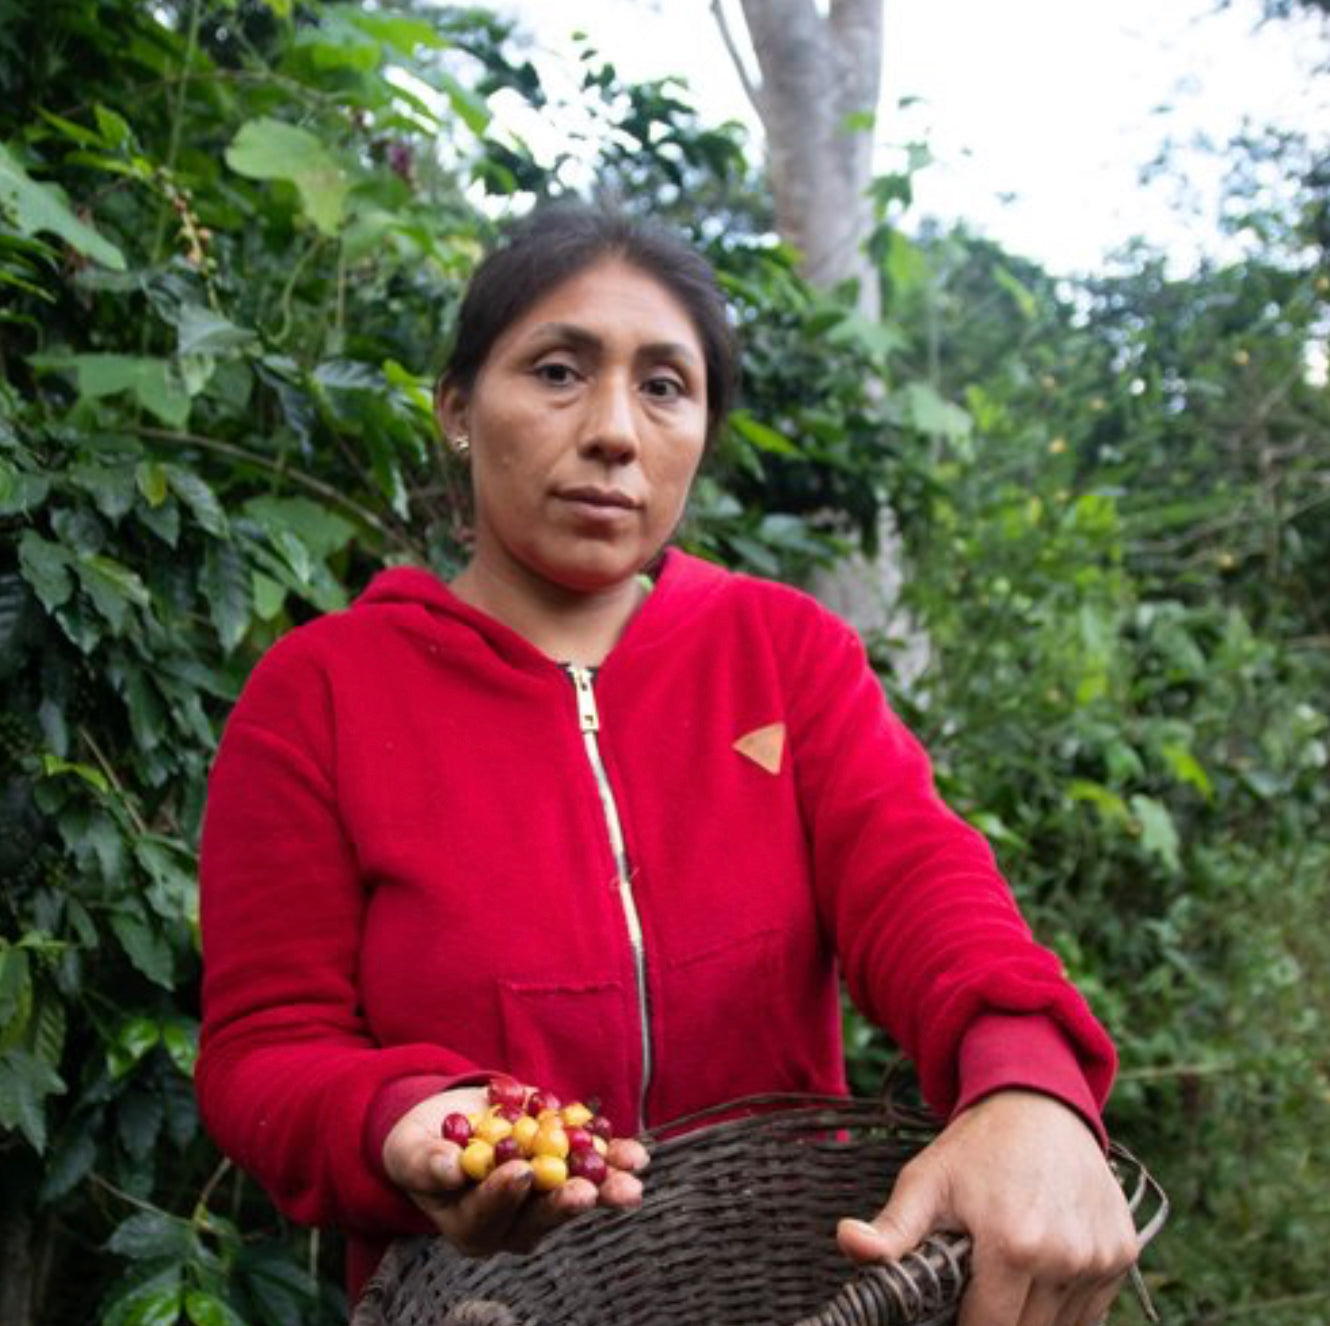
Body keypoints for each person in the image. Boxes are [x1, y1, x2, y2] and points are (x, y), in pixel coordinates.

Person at [196, 203, 1140, 1326]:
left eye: (664, 386)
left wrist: (1026, 1080)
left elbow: (918, 882)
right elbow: (266, 1047)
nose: (613, 431)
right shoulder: (322, 694)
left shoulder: (783, 655)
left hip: (793, 1287)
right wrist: (400, 1116)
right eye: (556, 371)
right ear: (456, 407)